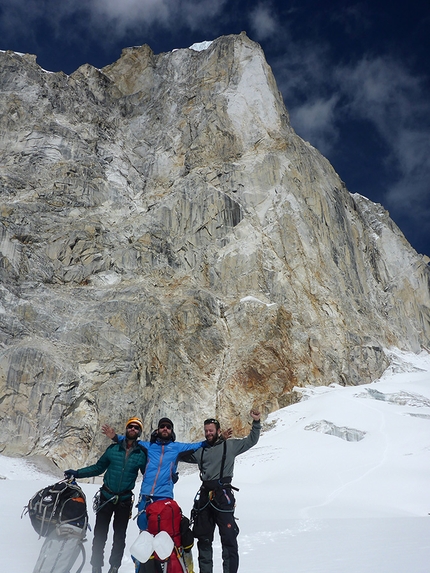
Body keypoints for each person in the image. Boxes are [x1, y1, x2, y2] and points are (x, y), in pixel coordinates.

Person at [64, 417, 148, 573]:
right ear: (126, 429)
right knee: (100, 534)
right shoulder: (112, 449)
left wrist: (169, 476)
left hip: (124, 500)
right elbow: (98, 468)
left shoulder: (142, 455)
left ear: (140, 432)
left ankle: (114, 567)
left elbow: (149, 475)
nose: (133, 429)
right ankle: (96, 566)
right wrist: (77, 473)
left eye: (137, 428)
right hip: (106, 497)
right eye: (131, 426)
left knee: (119, 537)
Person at [185, 410, 261, 573]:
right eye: (206, 431)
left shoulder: (230, 445)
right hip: (205, 497)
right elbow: (180, 455)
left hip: (223, 496)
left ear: (218, 431)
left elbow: (251, 441)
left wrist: (256, 422)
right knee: (204, 540)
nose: (208, 433)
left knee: (229, 539)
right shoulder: (201, 450)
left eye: (211, 430)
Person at [103, 417, 207, 530]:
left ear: (172, 431)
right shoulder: (149, 446)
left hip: (164, 496)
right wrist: (114, 436)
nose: (165, 429)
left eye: (168, 427)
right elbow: (130, 440)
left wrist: (219, 438)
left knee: (161, 530)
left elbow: (199, 445)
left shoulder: (177, 448)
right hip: (145, 495)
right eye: (162, 426)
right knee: (143, 528)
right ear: (157, 430)